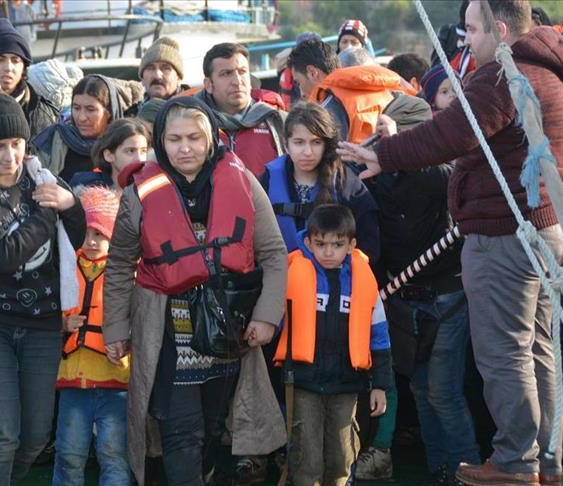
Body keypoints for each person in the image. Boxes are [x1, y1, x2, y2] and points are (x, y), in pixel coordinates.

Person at [337, 2, 563, 483]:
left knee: (506, 353)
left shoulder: (502, 75)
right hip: (549, 231)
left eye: (471, 29)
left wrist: (385, 154)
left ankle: (516, 462)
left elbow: (450, 134)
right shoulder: (561, 74)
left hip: (505, 236)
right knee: (539, 352)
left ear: (500, 30)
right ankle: (545, 462)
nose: (465, 39)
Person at [103, 96, 288, 485]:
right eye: (174, 139)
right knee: (181, 432)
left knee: (214, 426)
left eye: (194, 138)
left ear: (210, 139)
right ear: (160, 141)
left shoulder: (242, 180)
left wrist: (267, 316)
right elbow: (119, 264)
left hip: (229, 328)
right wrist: (116, 329)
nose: (184, 148)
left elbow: (273, 253)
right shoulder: (139, 193)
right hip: (167, 331)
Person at [0, 93, 85, 485]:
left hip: (41, 321)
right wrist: (48, 212)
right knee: (1, 435)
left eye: (17, 144)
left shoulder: (42, 179)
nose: (10, 156)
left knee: (36, 437)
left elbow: (75, 237)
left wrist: (71, 205)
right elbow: (4, 255)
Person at [368, 94, 480, 484]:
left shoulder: (444, 170)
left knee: (443, 391)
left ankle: (465, 469)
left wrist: (401, 148)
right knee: (419, 388)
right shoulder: (377, 174)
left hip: (446, 294)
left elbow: (446, 176)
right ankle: (439, 469)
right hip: (403, 297)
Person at [274, 204, 391, 486]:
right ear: (307, 243)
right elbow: (270, 319)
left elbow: (379, 336)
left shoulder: (364, 280)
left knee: (342, 458)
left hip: (346, 386)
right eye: (321, 244)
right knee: (307, 459)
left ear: (351, 245)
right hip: (303, 383)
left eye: (337, 245)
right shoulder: (290, 273)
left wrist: (380, 385)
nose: (328, 252)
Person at [53, 185, 131, 486]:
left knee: (113, 455)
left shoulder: (127, 273)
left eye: (100, 233)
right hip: (73, 381)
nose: (92, 241)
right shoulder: (65, 268)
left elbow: (141, 321)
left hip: (115, 381)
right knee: (68, 455)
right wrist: (63, 324)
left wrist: (125, 341)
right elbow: (46, 312)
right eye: (86, 233)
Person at [261, 102, 380, 260]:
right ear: (286, 144)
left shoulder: (347, 184)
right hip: (282, 273)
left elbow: (369, 247)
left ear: (326, 145)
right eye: (299, 142)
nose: (307, 152)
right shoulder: (268, 180)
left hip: (337, 274)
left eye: (316, 142)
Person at [196, 42, 287, 177]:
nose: (237, 81)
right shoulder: (191, 125)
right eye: (226, 74)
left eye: (242, 72)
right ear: (209, 85)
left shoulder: (279, 122)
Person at [34, 75, 127, 181]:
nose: (82, 118)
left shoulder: (126, 146)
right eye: (76, 108)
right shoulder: (56, 140)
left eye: (90, 109)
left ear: (109, 111)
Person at [0, 17, 59, 142]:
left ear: (24, 67)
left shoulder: (44, 113)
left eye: (15, 60)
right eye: (0, 59)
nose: (8, 67)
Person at [287, 38, 348, 141]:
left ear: (312, 73)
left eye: (298, 83)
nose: (301, 94)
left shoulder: (325, 117)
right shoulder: (356, 96)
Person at [70, 118, 151, 189]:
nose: (139, 159)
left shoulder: (150, 186)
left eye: (143, 151)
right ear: (108, 155)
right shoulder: (87, 186)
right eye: (130, 151)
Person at [127, 36, 188, 116]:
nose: (157, 76)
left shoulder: (192, 112)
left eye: (166, 68)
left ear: (178, 78)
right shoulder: (130, 114)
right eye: (150, 68)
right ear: (142, 79)